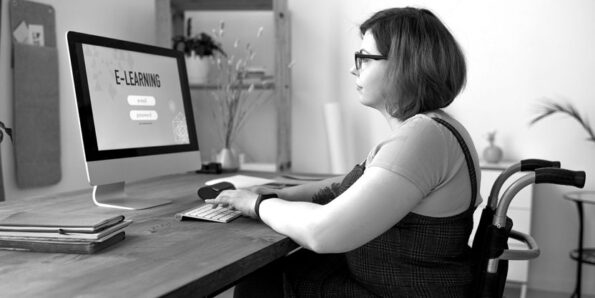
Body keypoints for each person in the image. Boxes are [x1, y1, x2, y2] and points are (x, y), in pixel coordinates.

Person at [205, 7, 481, 297]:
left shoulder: (424, 136)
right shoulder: (433, 129)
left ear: (403, 65)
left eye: (364, 57)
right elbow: (353, 184)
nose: (354, 68)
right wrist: (284, 194)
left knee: (263, 278)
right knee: (274, 272)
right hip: (397, 285)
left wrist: (257, 205)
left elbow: (322, 233)